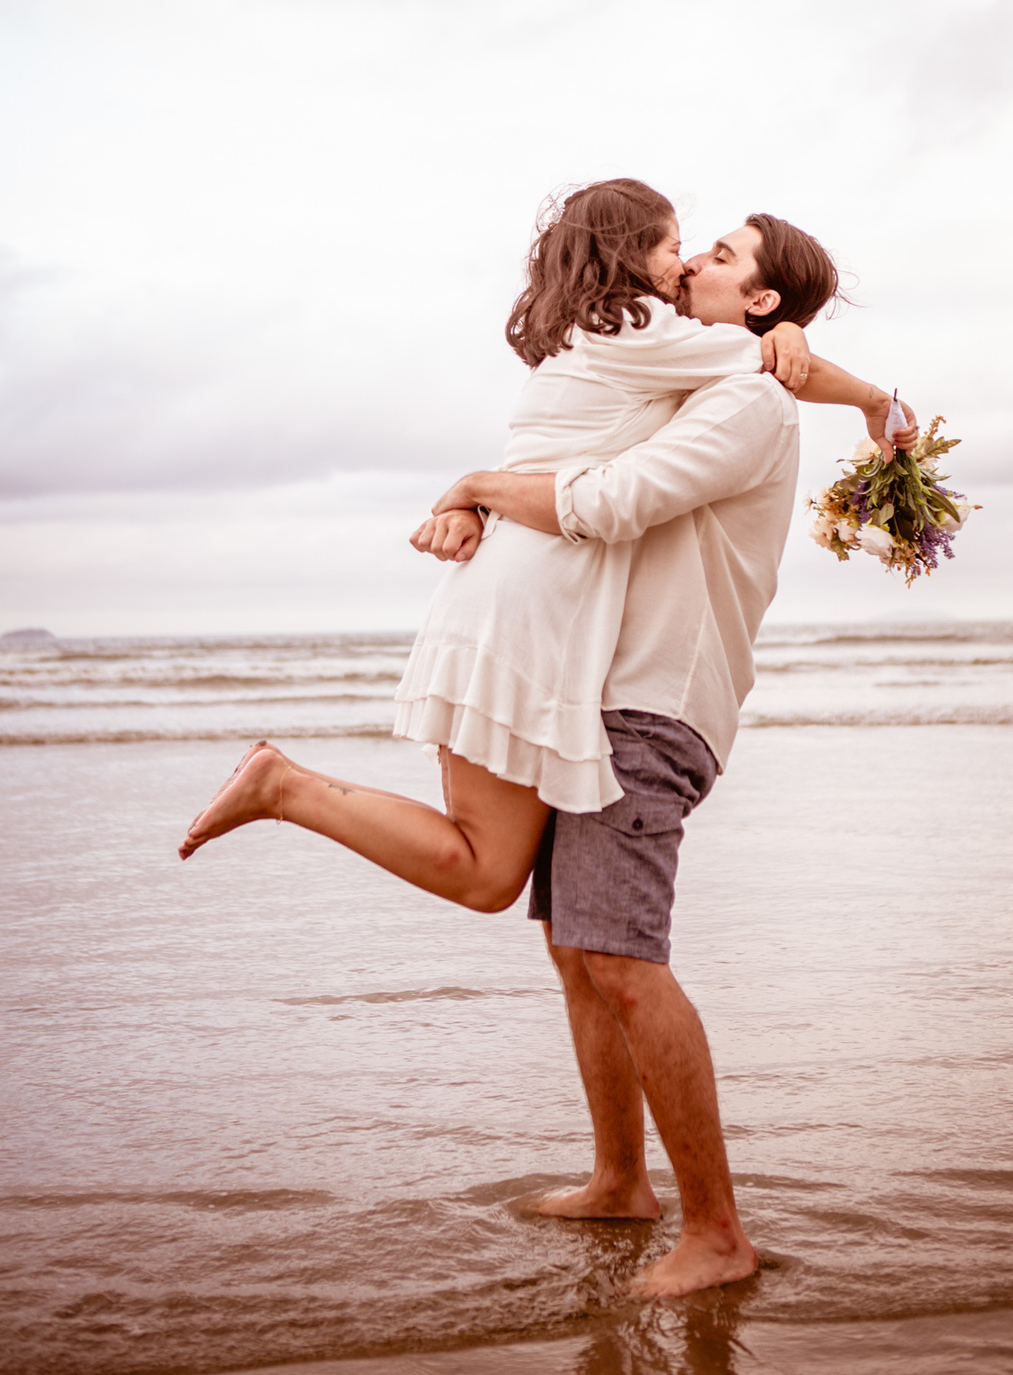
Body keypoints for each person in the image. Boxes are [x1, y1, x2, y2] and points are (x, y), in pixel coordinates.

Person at [419, 218, 917, 1298]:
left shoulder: (743, 400)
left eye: (725, 257)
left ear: (765, 306)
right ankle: (618, 1181)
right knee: (576, 947)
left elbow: (602, 505)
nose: (694, 262)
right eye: (700, 248)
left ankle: (718, 1234)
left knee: (624, 961)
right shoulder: (707, 376)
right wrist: (867, 395)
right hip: (599, 694)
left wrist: (473, 483)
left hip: (653, 705)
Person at [178, 182, 814, 903]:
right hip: (528, 609)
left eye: (707, 252)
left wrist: (478, 498)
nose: (690, 263)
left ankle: (287, 788)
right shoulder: (648, 340)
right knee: (486, 874)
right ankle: (286, 789)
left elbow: (547, 460)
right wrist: (836, 376)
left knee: (491, 872)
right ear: (631, 255)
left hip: (515, 598)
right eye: (676, 246)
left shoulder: (604, 340)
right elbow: (767, 373)